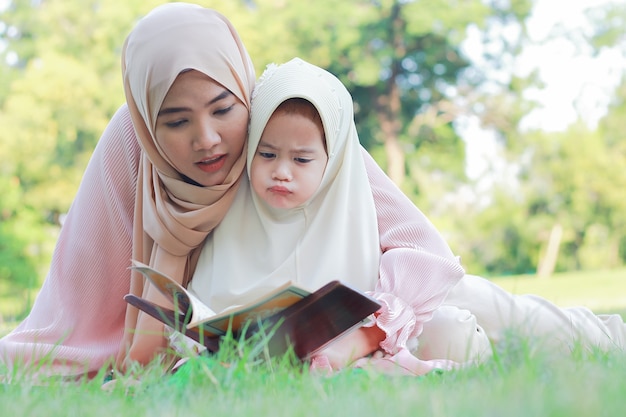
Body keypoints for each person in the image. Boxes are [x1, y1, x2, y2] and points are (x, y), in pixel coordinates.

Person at [0, 3, 465, 380]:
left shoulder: (284, 125)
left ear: (244, 93)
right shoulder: (131, 143)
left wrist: (364, 337)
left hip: (383, 313)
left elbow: (423, 248)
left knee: (464, 325)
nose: (207, 139)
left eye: (223, 109)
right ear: (146, 121)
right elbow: (75, 304)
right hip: (225, 346)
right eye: (177, 121)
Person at [184, 57, 490, 374]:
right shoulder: (229, 195)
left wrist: (360, 338)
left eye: (301, 159)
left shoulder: (349, 180)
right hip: (259, 355)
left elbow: (428, 255)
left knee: (458, 326)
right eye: (267, 154)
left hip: (363, 338)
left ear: (330, 162)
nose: (281, 172)